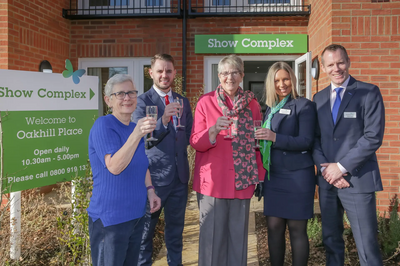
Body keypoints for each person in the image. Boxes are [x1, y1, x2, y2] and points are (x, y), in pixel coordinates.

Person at [313, 44, 385, 266]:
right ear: (324, 68)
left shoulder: (368, 92)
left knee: (366, 246)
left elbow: (373, 137)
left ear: (348, 62)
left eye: (340, 62)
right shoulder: (318, 98)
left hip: (358, 181)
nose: (337, 68)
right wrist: (326, 169)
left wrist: (341, 167)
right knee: (331, 242)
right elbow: (314, 139)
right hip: (327, 183)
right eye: (331, 64)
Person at [190, 54, 265, 266]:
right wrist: (213, 130)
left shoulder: (252, 105)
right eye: (224, 73)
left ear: (242, 75)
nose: (229, 77)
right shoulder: (206, 102)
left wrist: (259, 176)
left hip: (242, 180)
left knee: (238, 239)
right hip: (212, 182)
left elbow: (256, 144)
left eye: (234, 72)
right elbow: (195, 141)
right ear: (218, 76)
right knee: (211, 240)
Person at [87, 74, 161, 266]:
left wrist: (150, 191)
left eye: (131, 93)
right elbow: (114, 166)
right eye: (120, 93)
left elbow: (141, 164)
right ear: (108, 100)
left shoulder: (134, 128)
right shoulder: (103, 125)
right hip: (111, 220)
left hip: (136, 216)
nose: (127, 97)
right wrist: (136, 135)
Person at [132, 54, 193, 266]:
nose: (164, 75)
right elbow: (142, 141)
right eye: (160, 71)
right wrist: (163, 119)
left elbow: (189, 136)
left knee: (176, 235)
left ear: (174, 73)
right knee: (145, 236)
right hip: (153, 180)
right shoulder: (141, 102)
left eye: (168, 71)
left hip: (180, 179)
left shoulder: (183, 101)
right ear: (151, 73)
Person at [254, 62, 317, 266]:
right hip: (275, 176)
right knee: (273, 227)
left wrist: (274, 137)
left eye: (285, 79)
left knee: (297, 230)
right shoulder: (270, 109)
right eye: (277, 80)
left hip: (298, 176)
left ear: (293, 79)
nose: (282, 84)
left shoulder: (304, 105)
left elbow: (306, 140)